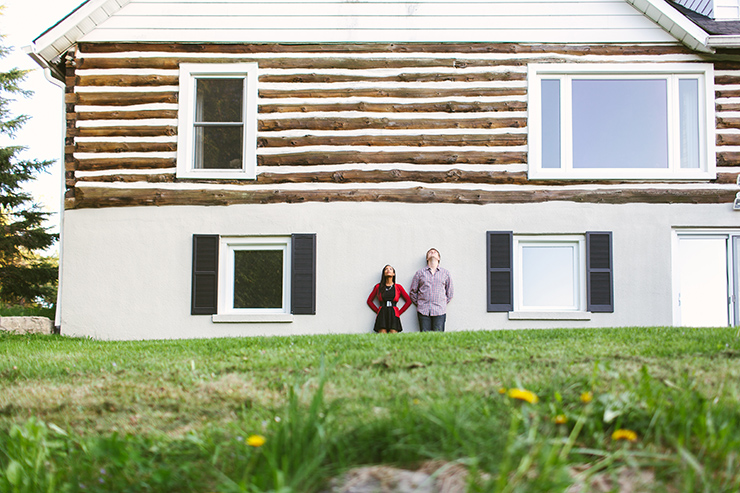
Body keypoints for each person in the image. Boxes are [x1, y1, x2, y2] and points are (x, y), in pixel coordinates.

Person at [409, 248, 454, 332]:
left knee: (439, 338)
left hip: (440, 310)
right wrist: (420, 303)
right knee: (425, 338)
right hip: (423, 310)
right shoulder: (420, 273)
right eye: (430, 252)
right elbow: (413, 291)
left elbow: (450, 292)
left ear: (439, 258)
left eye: (435, 252)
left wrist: (442, 303)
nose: (432, 252)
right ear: (427, 258)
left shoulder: (445, 273)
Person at [367, 265, 412, 333]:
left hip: (393, 313)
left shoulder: (398, 287)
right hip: (382, 314)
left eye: (390, 269)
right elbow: (369, 301)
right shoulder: (378, 287)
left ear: (393, 274)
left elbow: (408, 301)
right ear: (384, 273)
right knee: (382, 338)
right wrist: (378, 311)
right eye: (386, 269)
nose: (388, 270)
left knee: (393, 337)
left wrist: (399, 312)